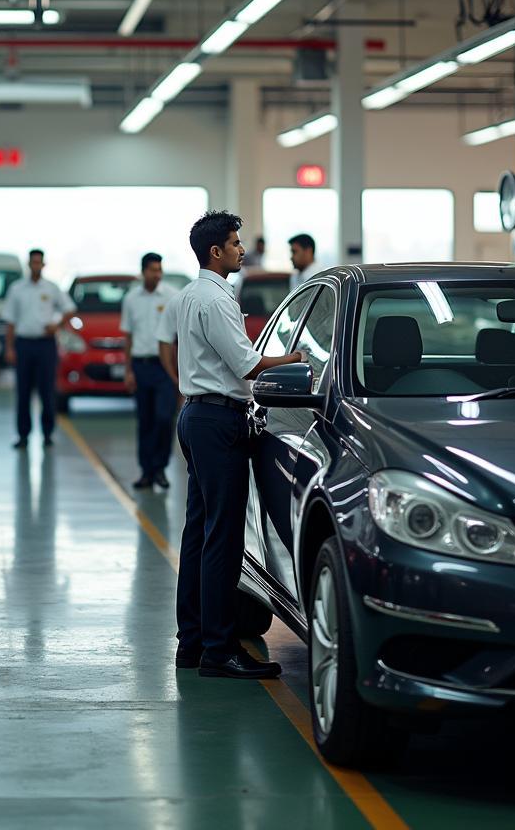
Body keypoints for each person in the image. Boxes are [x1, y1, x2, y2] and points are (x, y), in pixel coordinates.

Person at [160, 211, 305, 680]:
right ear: (216, 252)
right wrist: (297, 359)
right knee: (222, 539)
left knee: (199, 533)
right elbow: (247, 364)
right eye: (236, 243)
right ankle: (220, 650)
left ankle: (193, 643)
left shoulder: (191, 294)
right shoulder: (215, 299)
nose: (243, 249)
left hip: (198, 416)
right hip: (218, 421)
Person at [2, 249, 76, 449]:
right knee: (23, 392)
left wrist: (57, 325)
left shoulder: (51, 288)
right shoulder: (17, 289)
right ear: (29, 264)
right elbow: (10, 321)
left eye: (39, 263)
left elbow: (69, 310)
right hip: (24, 344)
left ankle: (47, 434)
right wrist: (9, 348)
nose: (36, 266)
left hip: (46, 345)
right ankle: (23, 435)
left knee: (47, 391)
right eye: (33, 262)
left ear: (43, 265)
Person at [120, 252, 179, 490]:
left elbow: (178, 336)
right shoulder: (131, 299)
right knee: (145, 421)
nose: (157, 274)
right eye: (153, 270)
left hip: (164, 368)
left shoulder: (171, 296)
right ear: (143, 271)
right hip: (141, 366)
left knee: (164, 419)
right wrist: (128, 371)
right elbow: (128, 337)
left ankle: (160, 469)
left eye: (159, 269)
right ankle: (146, 471)